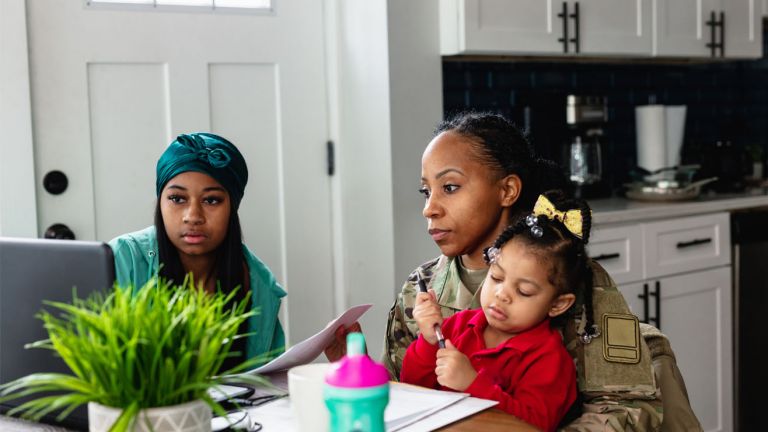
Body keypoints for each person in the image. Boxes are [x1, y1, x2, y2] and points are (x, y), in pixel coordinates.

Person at [383, 112, 701, 431]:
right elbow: (402, 396)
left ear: (507, 190)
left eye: (450, 187)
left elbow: (626, 408)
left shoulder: (576, 280)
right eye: (427, 192)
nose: (430, 208)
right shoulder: (421, 287)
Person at [401, 191, 593, 432]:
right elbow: (411, 389)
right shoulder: (457, 327)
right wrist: (428, 341)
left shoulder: (548, 359)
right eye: (496, 277)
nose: (502, 294)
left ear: (558, 304)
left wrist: (472, 383)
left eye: (523, 291)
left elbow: (534, 426)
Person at [109, 132, 286, 366]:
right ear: (160, 201)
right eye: (177, 199)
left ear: (232, 207)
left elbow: (269, 384)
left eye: (211, 200)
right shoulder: (123, 259)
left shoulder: (259, 283)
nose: (192, 216)